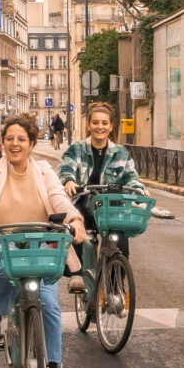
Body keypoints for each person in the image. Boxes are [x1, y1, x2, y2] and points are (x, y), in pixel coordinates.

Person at [0, 114, 87, 368]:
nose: (15, 144)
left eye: (21, 139)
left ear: (32, 143)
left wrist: (75, 219)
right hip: (2, 244)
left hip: (39, 246)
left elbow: (58, 197)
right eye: (9, 138)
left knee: (49, 303)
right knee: (9, 275)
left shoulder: (44, 171)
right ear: (2, 142)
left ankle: (54, 367)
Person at [59, 101, 145, 290]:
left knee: (120, 238)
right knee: (76, 223)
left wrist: (138, 189)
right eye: (96, 122)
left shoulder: (121, 153)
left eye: (104, 123)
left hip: (110, 207)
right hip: (83, 204)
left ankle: (116, 287)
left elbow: (131, 177)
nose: (100, 127)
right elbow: (67, 167)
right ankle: (77, 274)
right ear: (89, 125)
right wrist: (69, 181)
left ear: (111, 126)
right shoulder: (76, 149)